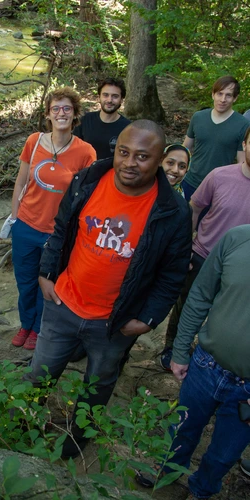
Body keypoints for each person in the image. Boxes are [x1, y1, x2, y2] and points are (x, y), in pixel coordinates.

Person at [26, 120, 192, 458]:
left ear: (159, 159)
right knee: (38, 376)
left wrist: (148, 318)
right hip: (63, 305)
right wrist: (46, 271)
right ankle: (21, 425)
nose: (130, 163)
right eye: (124, 152)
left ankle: (76, 441)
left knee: (98, 386)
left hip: (115, 322)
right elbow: (61, 227)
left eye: (142, 156)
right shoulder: (88, 180)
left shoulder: (173, 212)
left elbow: (172, 274)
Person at [166, 225, 250, 499]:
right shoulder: (238, 238)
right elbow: (201, 294)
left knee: (223, 455)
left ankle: (201, 491)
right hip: (206, 365)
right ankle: (166, 471)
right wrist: (180, 351)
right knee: (182, 427)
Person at [10, 87, 96, 350]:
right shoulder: (33, 141)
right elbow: (21, 181)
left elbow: (86, 197)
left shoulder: (85, 152)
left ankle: (38, 329)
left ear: (75, 114)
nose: (61, 113)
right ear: (48, 114)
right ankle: (26, 324)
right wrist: (15, 218)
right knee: (25, 282)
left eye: (67, 108)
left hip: (56, 233)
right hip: (25, 225)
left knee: (45, 283)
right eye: (56, 108)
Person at [160, 125, 250, 370]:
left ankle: (213, 357)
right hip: (202, 254)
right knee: (187, 304)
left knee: (229, 312)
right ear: (244, 145)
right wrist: (186, 246)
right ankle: (173, 348)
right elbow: (194, 208)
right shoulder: (219, 175)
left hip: (241, 266)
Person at [181, 75, 249, 201]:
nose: (223, 99)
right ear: (213, 95)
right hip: (190, 182)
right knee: (183, 219)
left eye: (228, 95)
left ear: (235, 98)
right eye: (219, 94)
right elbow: (185, 148)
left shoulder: (243, 124)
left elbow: (241, 162)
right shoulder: (198, 117)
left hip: (220, 186)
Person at [72, 77, 131, 159]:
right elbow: (74, 150)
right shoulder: (85, 120)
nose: (109, 100)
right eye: (105, 95)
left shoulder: (128, 128)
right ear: (99, 97)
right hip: (86, 170)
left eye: (115, 96)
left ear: (121, 100)